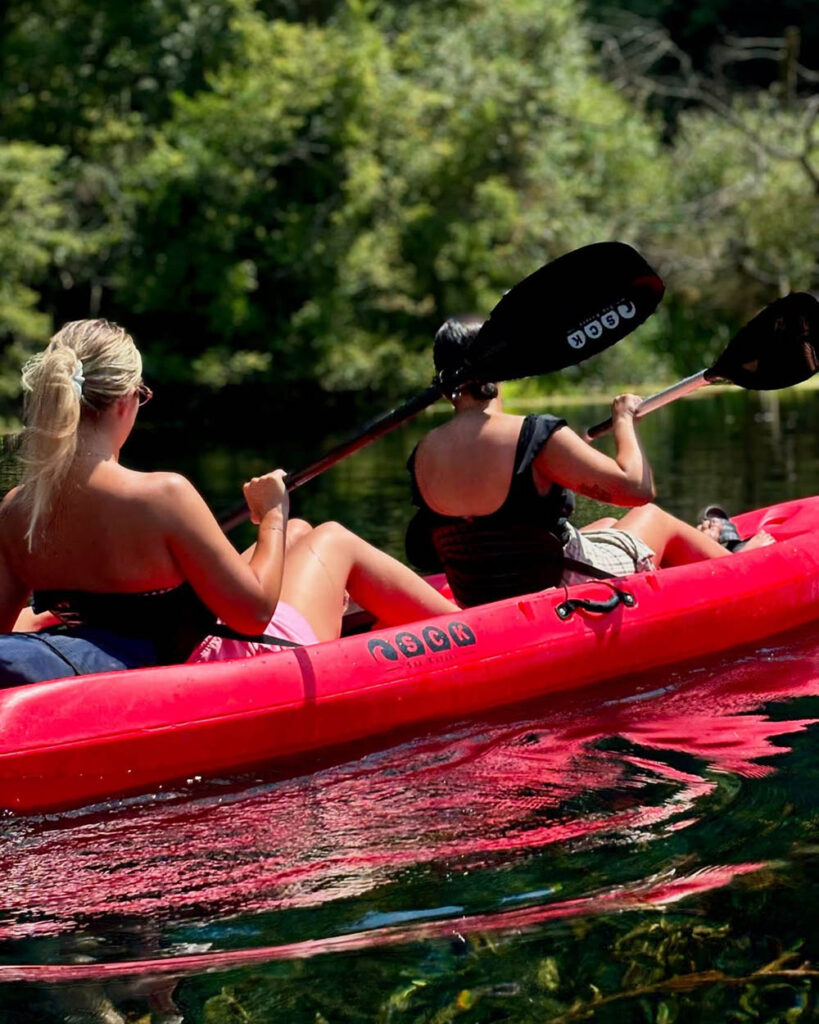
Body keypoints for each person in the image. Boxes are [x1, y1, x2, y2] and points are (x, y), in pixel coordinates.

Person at [0, 319, 457, 685]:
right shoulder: (162, 495)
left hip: (139, 657)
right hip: (216, 670)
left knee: (302, 537)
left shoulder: (16, 510)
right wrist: (273, 514)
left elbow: (3, 628)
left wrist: (50, 617)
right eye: (142, 395)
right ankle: (473, 631)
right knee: (333, 539)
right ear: (124, 401)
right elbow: (253, 614)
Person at [406, 318, 773, 607]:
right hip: (559, 586)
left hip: (481, 596)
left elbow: (429, 550)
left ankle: (704, 550)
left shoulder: (422, 453)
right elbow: (638, 489)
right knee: (655, 519)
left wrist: (561, 453)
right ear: (501, 367)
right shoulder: (534, 434)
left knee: (609, 522)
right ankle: (743, 562)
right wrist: (624, 421)